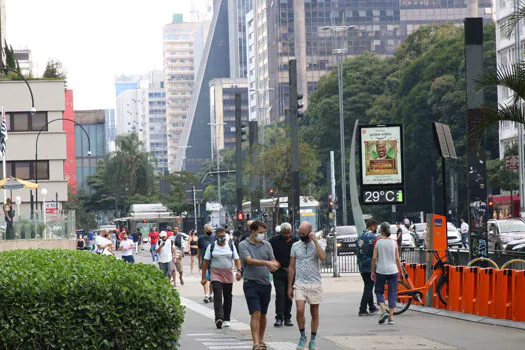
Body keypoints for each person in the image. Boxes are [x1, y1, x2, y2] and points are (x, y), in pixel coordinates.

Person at [238, 220, 280, 350]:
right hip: (251, 283)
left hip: (265, 283)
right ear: (252, 231)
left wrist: (274, 264)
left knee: (263, 314)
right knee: (255, 312)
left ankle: (261, 340)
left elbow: (272, 259)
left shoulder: (266, 244)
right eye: (260, 232)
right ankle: (255, 342)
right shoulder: (243, 245)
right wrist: (267, 263)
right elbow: (249, 261)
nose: (262, 235)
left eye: (264, 232)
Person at [287, 222, 326, 350]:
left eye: (304, 234)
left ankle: (313, 340)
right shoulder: (295, 246)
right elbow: (291, 267)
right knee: (299, 310)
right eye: (300, 233)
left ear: (310, 233)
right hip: (300, 283)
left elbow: (323, 257)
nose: (301, 235)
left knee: (314, 311)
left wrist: (315, 241)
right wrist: (289, 286)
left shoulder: (317, 244)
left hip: (314, 283)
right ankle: (303, 335)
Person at [202, 227, 242, 329]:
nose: (222, 238)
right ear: (216, 237)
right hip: (216, 274)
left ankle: (227, 318)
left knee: (228, 297)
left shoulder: (230, 245)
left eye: (223, 236)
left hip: (228, 274)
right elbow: (205, 262)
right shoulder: (211, 247)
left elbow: (237, 259)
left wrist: (239, 271)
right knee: (218, 296)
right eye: (219, 236)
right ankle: (219, 318)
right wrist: (203, 278)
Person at [372, 222, 404, 325]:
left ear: (381, 230)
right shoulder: (394, 242)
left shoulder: (378, 242)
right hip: (393, 271)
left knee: (378, 291)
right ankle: (391, 318)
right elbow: (398, 259)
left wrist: (372, 271)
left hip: (381, 271)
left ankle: (383, 310)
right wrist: (401, 272)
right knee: (392, 293)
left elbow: (374, 258)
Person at [269, 222, 297, 327]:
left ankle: (288, 317)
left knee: (289, 294)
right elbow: (268, 253)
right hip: (279, 272)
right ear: (281, 232)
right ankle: (279, 317)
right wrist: (272, 263)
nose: (287, 236)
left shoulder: (295, 240)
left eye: (288, 233)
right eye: (285, 233)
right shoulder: (273, 241)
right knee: (280, 294)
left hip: (291, 272)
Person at [356, 219, 379, 316]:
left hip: (361, 264)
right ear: (372, 226)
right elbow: (377, 251)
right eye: (376, 227)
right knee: (369, 287)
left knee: (367, 286)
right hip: (370, 265)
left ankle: (372, 308)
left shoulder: (359, 236)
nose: (376, 229)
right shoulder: (374, 237)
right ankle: (362, 309)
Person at [198, 224, 216, 303]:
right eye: (208, 230)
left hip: (213, 262)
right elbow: (199, 251)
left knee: (212, 279)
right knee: (204, 278)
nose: (210, 231)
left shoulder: (215, 238)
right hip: (205, 261)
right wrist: (199, 262)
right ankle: (206, 295)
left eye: (211, 230)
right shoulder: (201, 239)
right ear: (205, 230)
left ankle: (211, 295)